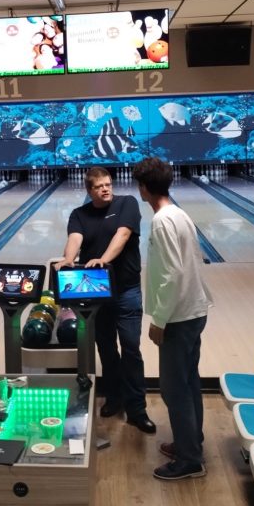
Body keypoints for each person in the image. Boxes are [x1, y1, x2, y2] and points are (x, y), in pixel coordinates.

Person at [56, 166, 154, 433]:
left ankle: (137, 409)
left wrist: (103, 259)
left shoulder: (127, 204)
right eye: (99, 186)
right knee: (107, 350)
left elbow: (123, 235)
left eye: (108, 184)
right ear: (90, 190)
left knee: (131, 348)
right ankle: (114, 397)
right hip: (97, 294)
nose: (105, 189)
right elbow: (75, 238)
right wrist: (68, 259)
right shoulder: (79, 214)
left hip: (126, 291)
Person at [133, 157, 212, 480]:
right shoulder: (179, 213)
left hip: (178, 318)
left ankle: (189, 460)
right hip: (193, 310)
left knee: (173, 389)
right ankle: (190, 441)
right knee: (189, 382)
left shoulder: (162, 221)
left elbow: (173, 274)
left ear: (143, 188)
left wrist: (159, 320)